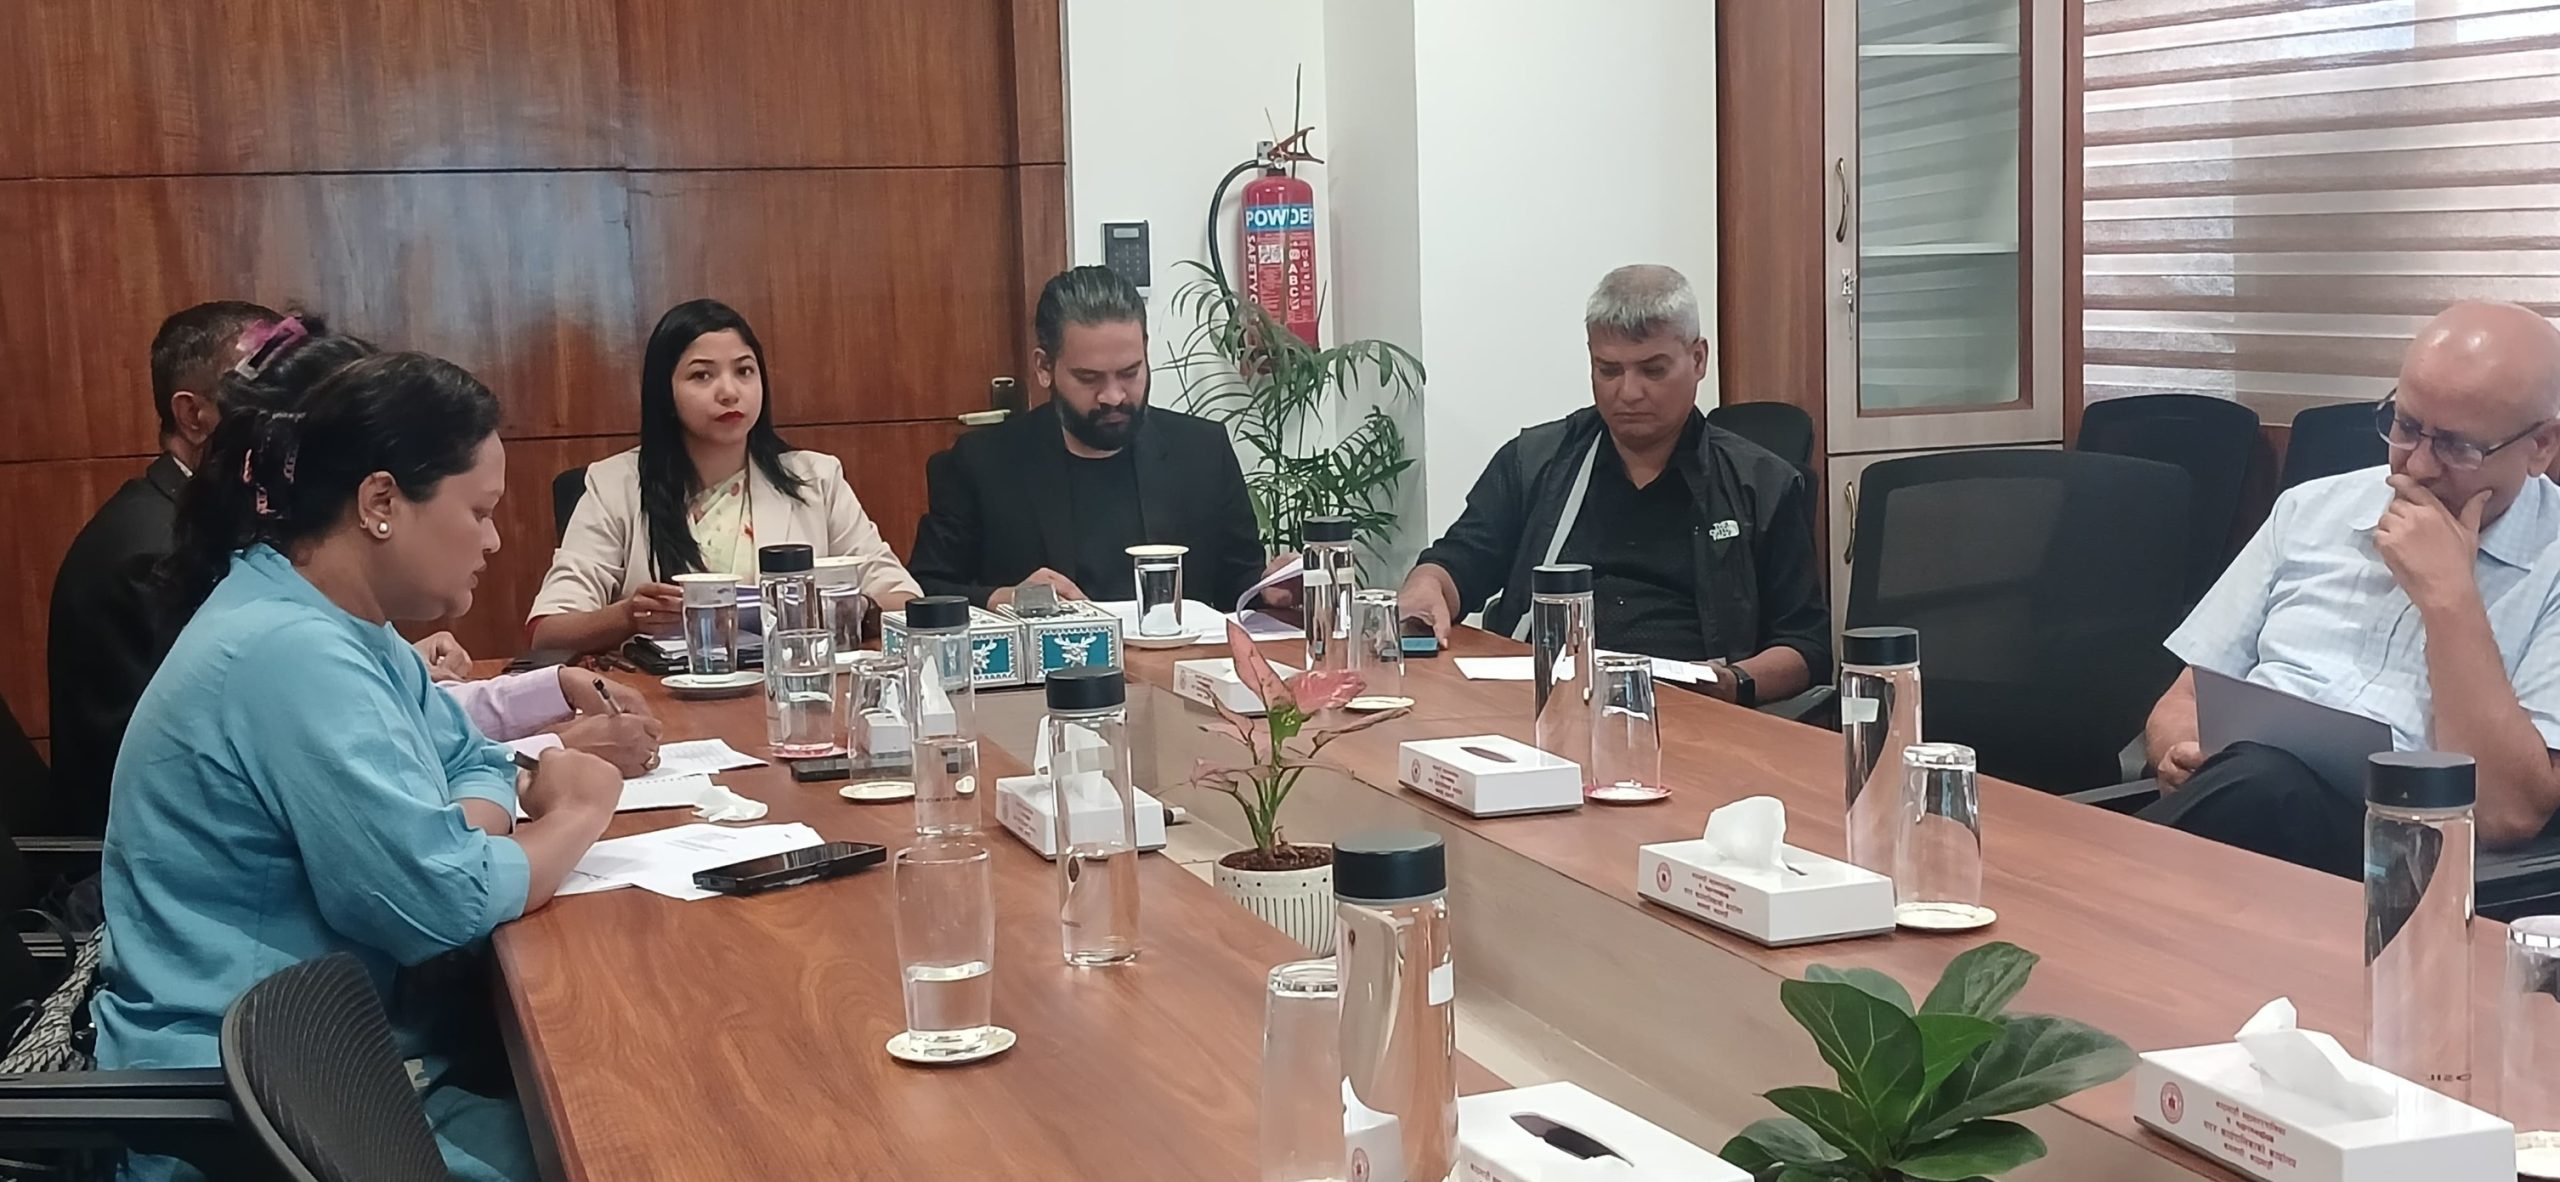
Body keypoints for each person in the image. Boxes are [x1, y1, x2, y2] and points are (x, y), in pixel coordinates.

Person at [94, 349, 623, 1182]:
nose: (493, 540)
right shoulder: (289, 649)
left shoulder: (341, 620)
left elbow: (472, 760)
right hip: (258, 1111)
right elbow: (441, 904)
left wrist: (461, 838)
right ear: (381, 502)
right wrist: (579, 812)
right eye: (480, 511)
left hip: (344, 1063)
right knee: (627, 1141)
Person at [2141, 301, 2560, 875]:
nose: (2417, 466)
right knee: (2257, 785)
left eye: (2458, 447)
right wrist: (2181, 751)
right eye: (2406, 427)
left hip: (2398, 862)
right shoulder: (2310, 509)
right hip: (2238, 811)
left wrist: (2450, 601)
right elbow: (2183, 700)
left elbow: (2507, 813)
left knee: (2268, 788)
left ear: (2542, 446)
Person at [1395, 264, 1830, 708]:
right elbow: (1456, 565)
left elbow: (1806, 647)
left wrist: (1732, 682)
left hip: (1692, 712)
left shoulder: (1762, 484)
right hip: (1544, 702)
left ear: (1698, 359)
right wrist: (1425, 588)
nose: (1629, 392)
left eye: (1653, 370)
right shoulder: (1535, 462)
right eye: (1609, 370)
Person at [529, 299, 919, 652]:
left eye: (744, 371)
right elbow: (547, 631)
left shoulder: (816, 478)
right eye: (702, 376)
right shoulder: (614, 485)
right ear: (665, 393)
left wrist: (852, 607)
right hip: (663, 694)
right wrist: (627, 617)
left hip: (793, 683)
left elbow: (903, 599)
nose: (729, 392)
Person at [908, 265, 1271, 611]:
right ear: (1044, 368)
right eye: (1088, 378)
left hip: (1181, 655)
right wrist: (1003, 598)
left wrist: (1271, 588)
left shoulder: (1202, 452)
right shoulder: (983, 463)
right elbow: (926, 590)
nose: (1113, 396)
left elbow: (1240, 585)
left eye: (1129, 372)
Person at [45, 301, 278, 834]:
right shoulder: (154, 552)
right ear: (194, 416)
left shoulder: (192, 521)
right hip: (144, 853)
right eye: (265, 399)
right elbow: (204, 751)